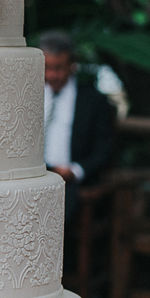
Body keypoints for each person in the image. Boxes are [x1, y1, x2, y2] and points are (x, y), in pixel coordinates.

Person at [40, 30, 117, 223]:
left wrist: (75, 171)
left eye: (58, 68)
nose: (51, 75)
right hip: (36, 174)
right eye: (46, 68)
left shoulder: (93, 101)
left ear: (72, 65)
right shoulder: (31, 94)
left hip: (71, 179)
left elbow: (105, 148)